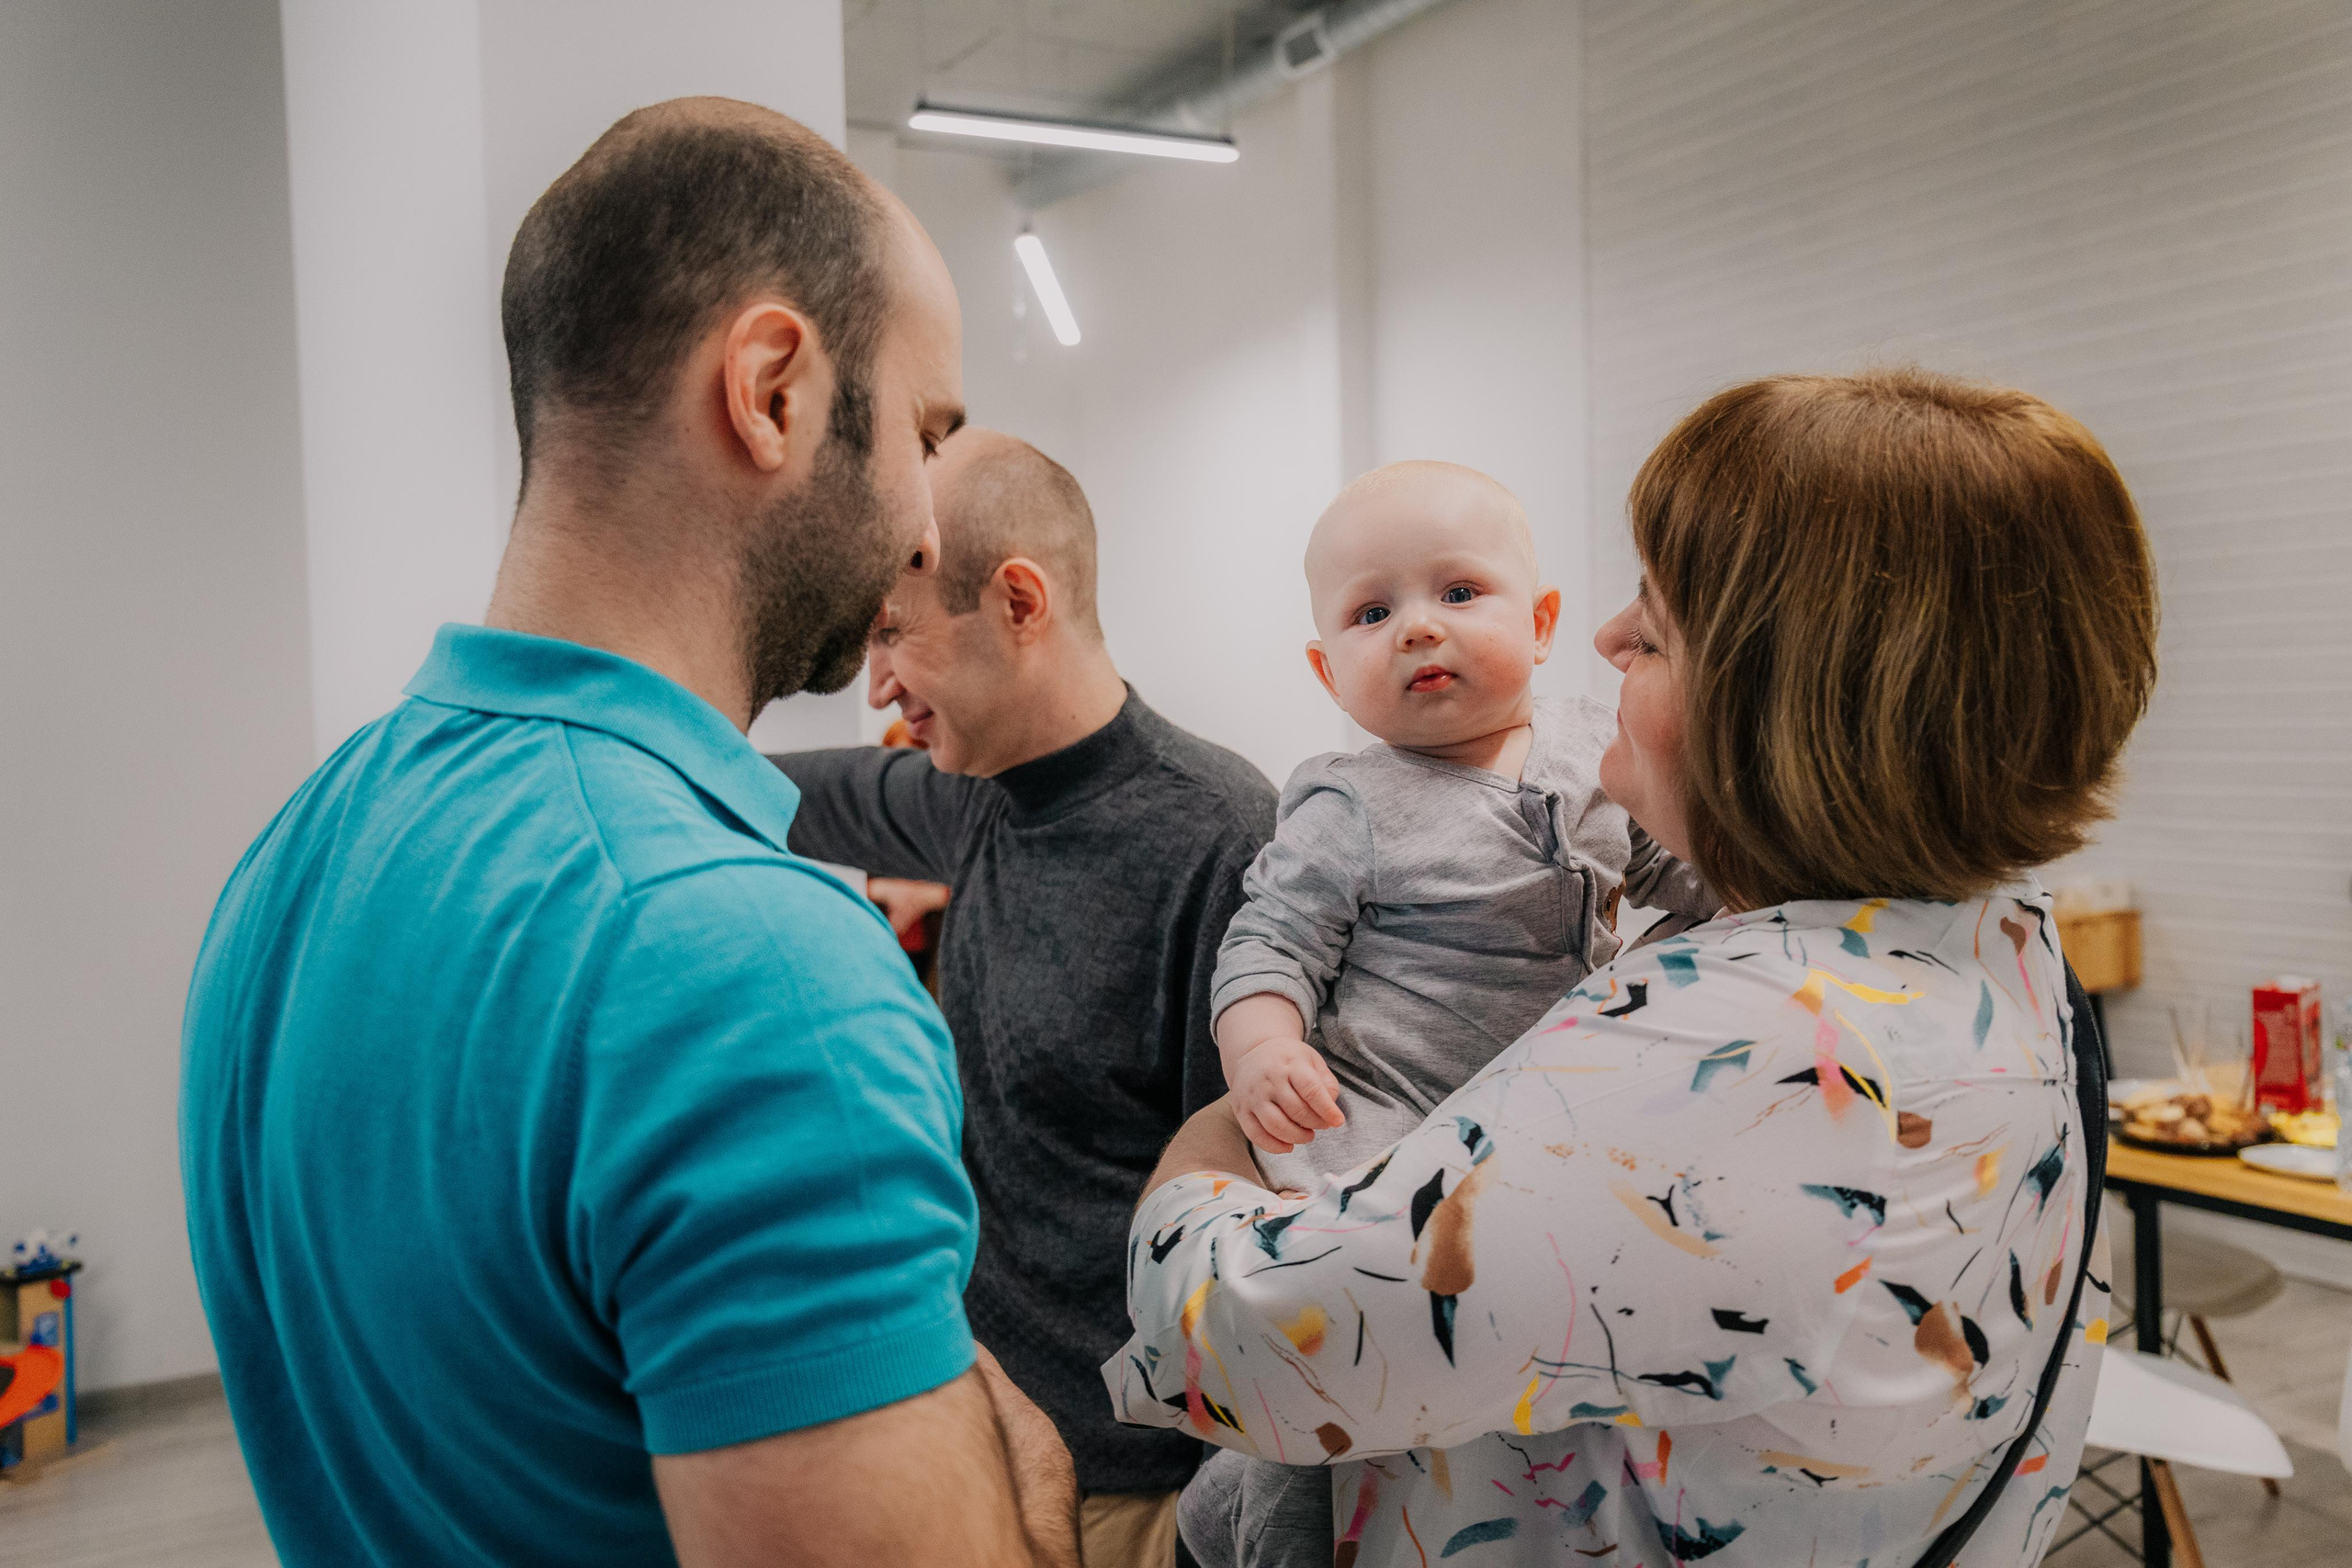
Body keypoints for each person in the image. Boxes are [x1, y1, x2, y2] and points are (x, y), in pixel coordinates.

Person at [182, 99, 1078, 1568]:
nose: (927, 528)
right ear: (773, 389)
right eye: (924, 432)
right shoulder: (753, 965)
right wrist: (1026, 1477)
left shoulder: (294, 856)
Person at [1109, 369, 2155, 1566]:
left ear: (1779, 703)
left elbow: (1237, 1342)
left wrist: (1210, 1144)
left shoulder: (1750, 1046)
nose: (1603, 637)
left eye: (1653, 625)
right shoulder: (2002, 940)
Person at [1187, 461, 1712, 1565]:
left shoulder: (1593, 753)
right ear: (1330, 671)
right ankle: (1268, 1529)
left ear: (1543, 623)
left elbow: (1678, 871)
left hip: (1538, 1120)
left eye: (1458, 593)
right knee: (1341, 1357)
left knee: (1513, 1360)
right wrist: (1263, 1044)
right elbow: (1268, 939)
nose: (1419, 630)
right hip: (1382, 1115)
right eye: (1374, 614)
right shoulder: (1350, 800)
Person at [771, 426, 1278, 1567]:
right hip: (981, 1431)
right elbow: (777, 790)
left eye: (893, 634)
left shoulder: (1219, 833)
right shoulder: (975, 798)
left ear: (1016, 601)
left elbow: (1241, 1213)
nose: (879, 684)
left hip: (1140, 1490)